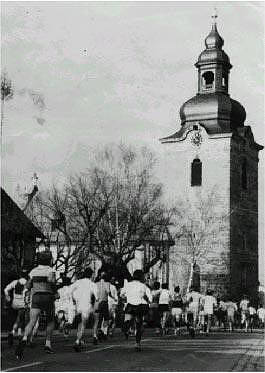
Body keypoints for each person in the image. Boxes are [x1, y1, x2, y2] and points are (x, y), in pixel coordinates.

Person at [15, 251, 57, 360]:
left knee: (32, 321)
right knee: (50, 320)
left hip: (36, 297)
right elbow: (52, 282)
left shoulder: (33, 271)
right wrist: (55, 292)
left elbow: (28, 285)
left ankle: (24, 338)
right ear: (49, 260)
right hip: (48, 296)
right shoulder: (50, 270)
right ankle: (48, 344)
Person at [120, 270, 151, 351]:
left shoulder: (128, 285)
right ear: (141, 277)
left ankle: (127, 325)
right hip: (139, 307)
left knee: (128, 319)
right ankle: (137, 344)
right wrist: (147, 301)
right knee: (139, 325)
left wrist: (125, 298)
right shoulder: (143, 286)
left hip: (129, 305)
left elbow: (121, 294)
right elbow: (147, 297)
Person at [70, 267, 98, 351]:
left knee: (80, 323)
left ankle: (79, 339)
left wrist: (73, 300)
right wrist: (95, 307)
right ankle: (78, 341)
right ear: (91, 275)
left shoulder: (77, 282)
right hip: (87, 305)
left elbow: (69, 291)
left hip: (77, 305)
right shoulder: (92, 284)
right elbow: (97, 297)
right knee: (82, 324)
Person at [4, 271, 28, 346]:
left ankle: (12, 332)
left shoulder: (15, 282)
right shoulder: (27, 283)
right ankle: (18, 334)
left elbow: (6, 289)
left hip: (14, 304)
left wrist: (8, 297)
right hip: (22, 304)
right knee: (20, 320)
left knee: (15, 319)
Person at [93, 271, 112, 343]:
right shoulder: (107, 283)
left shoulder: (95, 284)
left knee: (97, 320)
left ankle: (95, 335)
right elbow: (108, 292)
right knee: (106, 318)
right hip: (104, 302)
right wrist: (112, 297)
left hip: (96, 303)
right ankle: (103, 330)